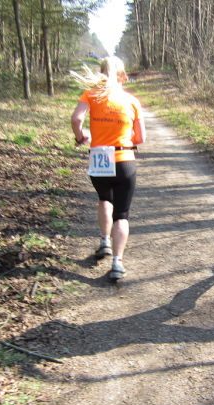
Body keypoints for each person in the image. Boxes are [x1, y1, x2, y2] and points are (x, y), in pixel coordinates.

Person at [71, 56, 146, 280]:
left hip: (99, 158)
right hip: (124, 160)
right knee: (121, 214)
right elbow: (141, 138)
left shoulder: (90, 95)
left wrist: (80, 138)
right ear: (123, 77)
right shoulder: (132, 101)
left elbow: (76, 119)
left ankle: (105, 242)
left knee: (105, 199)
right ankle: (117, 263)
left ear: (101, 74)